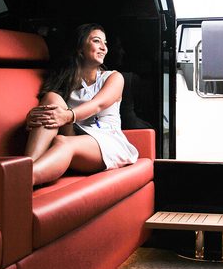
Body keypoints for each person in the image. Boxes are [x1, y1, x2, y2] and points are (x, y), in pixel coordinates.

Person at [25, 23, 138, 186]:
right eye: (97, 41)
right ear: (79, 47)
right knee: (51, 98)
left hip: (106, 141)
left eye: (105, 43)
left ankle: (23, 179)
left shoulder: (113, 77)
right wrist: (32, 117)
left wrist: (67, 116)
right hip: (74, 134)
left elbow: (98, 105)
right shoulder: (64, 82)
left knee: (62, 142)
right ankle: (27, 165)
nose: (104, 48)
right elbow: (49, 109)